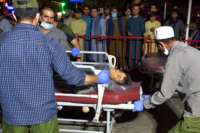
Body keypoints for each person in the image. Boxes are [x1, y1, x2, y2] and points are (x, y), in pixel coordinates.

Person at [0, 0, 127, 132]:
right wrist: (99, 78)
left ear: (14, 16)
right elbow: (73, 77)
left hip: (12, 114)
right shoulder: (49, 43)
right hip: (43, 115)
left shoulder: (2, 41)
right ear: (38, 17)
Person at [144, 26, 200, 133]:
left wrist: (147, 103)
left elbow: (166, 93)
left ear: (160, 44)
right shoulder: (190, 49)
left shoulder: (175, 57)